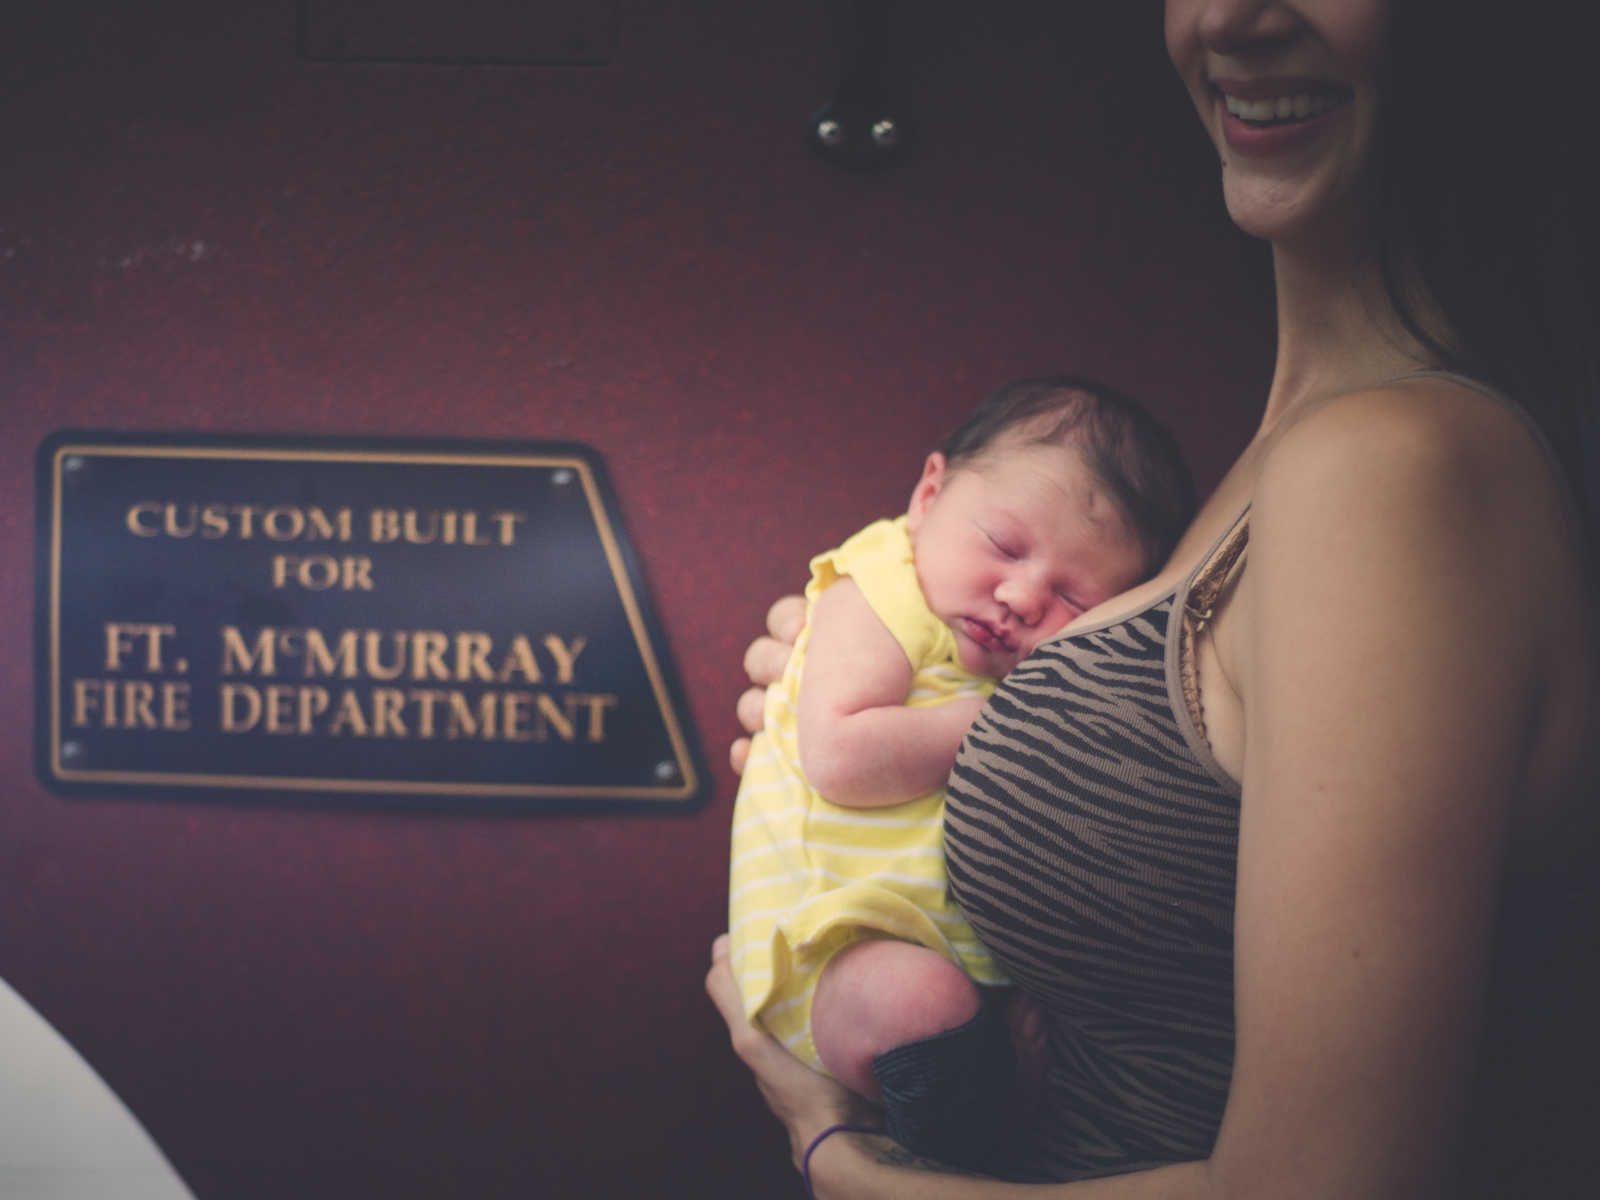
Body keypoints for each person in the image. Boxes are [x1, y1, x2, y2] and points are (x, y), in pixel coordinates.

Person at [706, 1, 1598, 1197]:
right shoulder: (1274, 467)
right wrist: (856, 675)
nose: (1230, 13)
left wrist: (834, 1149)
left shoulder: (1388, 464)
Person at [728, 376, 1194, 1170]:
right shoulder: (884, 583)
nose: (1018, 596)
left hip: (942, 952)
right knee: (923, 1006)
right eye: (1006, 547)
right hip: (836, 940)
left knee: (984, 1030)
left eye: (1072, 598)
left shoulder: (1000, 637)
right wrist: (997, 718)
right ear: (929, 494)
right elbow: (840, 758)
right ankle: (951, 1161)